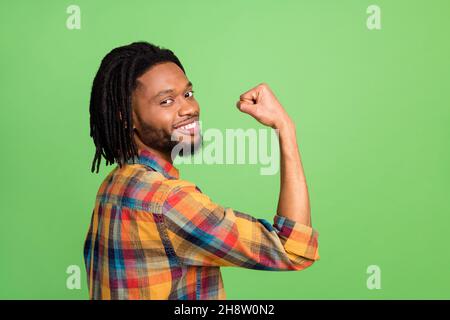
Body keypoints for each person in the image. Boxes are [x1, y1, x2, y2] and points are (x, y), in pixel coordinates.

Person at [84, 41, 320, 300]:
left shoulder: (112, 185)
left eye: (187, 94)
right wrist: (285, 127)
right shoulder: (168, 201)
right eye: (166, 101)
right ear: (126, 117)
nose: (189, 108)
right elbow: (294, 250)